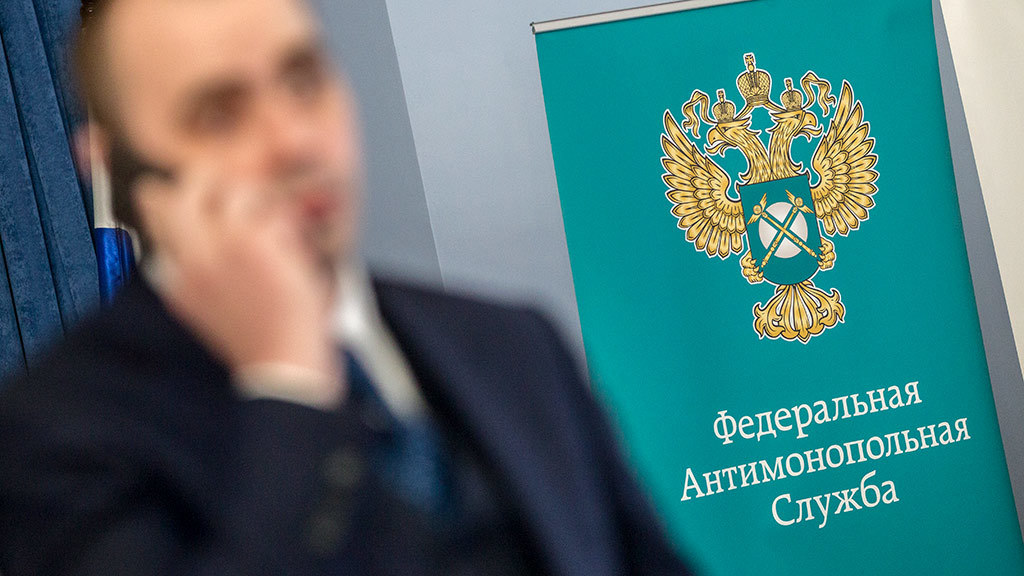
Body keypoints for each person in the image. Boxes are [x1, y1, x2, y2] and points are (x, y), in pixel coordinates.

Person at [0, 0, 692, 574]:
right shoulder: (55, 438)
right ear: (114, 166)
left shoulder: (511, 344)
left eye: (303, 79)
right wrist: (288, 387)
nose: (292, 141)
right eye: (219, 113)